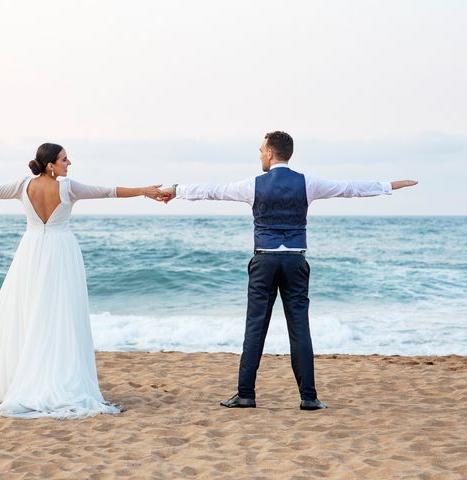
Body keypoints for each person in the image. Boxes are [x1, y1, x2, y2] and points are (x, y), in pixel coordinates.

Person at [160, 131, 417, 410]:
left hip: (265, 260)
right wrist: (389, 185)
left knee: (255, 328)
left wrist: (176, 189)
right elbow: (349, 188)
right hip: (295, 260)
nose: (259, 155)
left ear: (270, 153)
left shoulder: (253, 185)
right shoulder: (307, 183)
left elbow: (212, 191)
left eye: (261, 150)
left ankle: (246, 394)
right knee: (300, 328)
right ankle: (308, 397)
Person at [0, 143, 165, 419]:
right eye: (64, 159)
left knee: (29, 312)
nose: (69, 163)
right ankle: (53, 378)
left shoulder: (22, 186)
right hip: (61, 252)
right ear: (51, 165)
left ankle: (23, 376)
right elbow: (109, 192)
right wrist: (142, 191)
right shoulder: (68, 188)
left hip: (31, 252)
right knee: (59, 314)